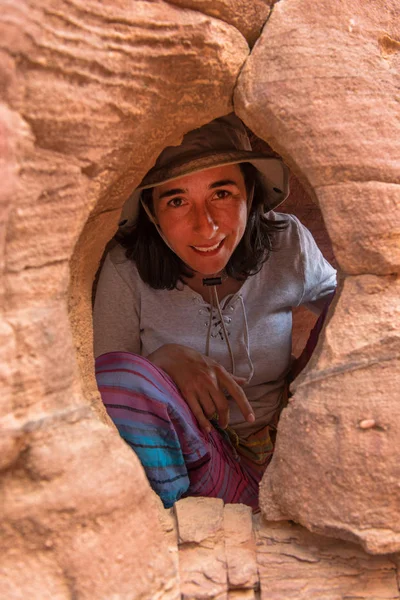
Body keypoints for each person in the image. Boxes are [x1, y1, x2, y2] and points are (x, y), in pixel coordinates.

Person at [93, 114, 336, 509]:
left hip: (295, 451)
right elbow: (107, 386)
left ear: (251, 195)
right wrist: (162, 360)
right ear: (152, 213)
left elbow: (352, 310)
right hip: (198, 467)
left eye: (222, 194)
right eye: (176, 201)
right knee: (121, 376)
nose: (204, 226)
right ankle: (174, 525)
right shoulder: (127, 268)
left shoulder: (287, 243)